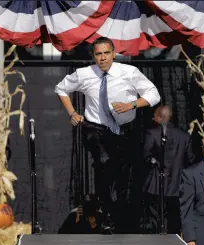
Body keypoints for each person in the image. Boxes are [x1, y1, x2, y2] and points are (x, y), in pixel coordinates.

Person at [55, 37, 160, 232]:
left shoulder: (128, 72)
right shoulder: (84, 74)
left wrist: (132, 104)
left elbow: (154, 94)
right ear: (93, 56)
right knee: (103, 161)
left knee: (121, 175)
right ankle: (107, 211)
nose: (102, 58)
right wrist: (72, 113)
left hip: (124, 130)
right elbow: (61, 88)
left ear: (113, 53)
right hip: (95, 129)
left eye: (106, 53)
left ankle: (119, 216)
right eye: (98, 54)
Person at [142, 105, 194, 234]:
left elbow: (146, 157)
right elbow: (190, 160)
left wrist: (153, 162)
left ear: (161, 117)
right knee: (174, 219)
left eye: (155, 116)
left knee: (155, 219)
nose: (153, 118)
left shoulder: (152, 133)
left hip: (155, 185)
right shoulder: (185, 136)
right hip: (177, 185)